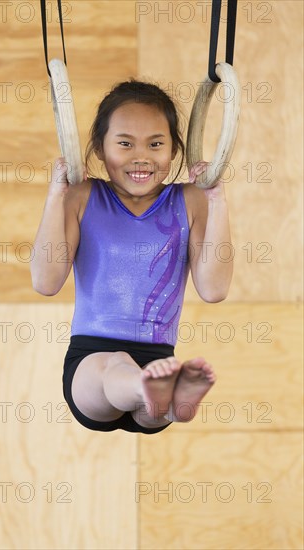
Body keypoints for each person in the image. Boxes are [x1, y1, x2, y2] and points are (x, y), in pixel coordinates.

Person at [30, 80, 233, 434]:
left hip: (159, 360)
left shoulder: (190, 201)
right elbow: (45, 282)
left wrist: (217, 201)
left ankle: (169, 401)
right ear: (98, 147)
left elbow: (214, 289)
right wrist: (56, 195)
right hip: (91, 362)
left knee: (150, 405)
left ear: (174, 151)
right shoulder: (82, 196)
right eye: (125, 144)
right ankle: (154, 392)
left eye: (156, 144)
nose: (141, 157)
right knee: (116, 366)